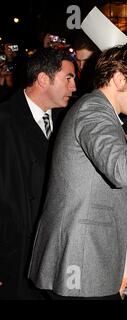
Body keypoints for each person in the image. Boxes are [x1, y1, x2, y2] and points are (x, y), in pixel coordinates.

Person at [28, 46, 127, 299]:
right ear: (118, 79)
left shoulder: (99, 110)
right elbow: (120, 171)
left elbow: (101, 175)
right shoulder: (94, 110)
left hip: (86, 257)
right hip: (81, 259)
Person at [0, 48, 77, 299]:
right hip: (16, 256)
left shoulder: (67, 118)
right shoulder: (5, 121)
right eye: (68, 78)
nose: (74, 86)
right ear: (43, 79)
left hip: (52, 252)